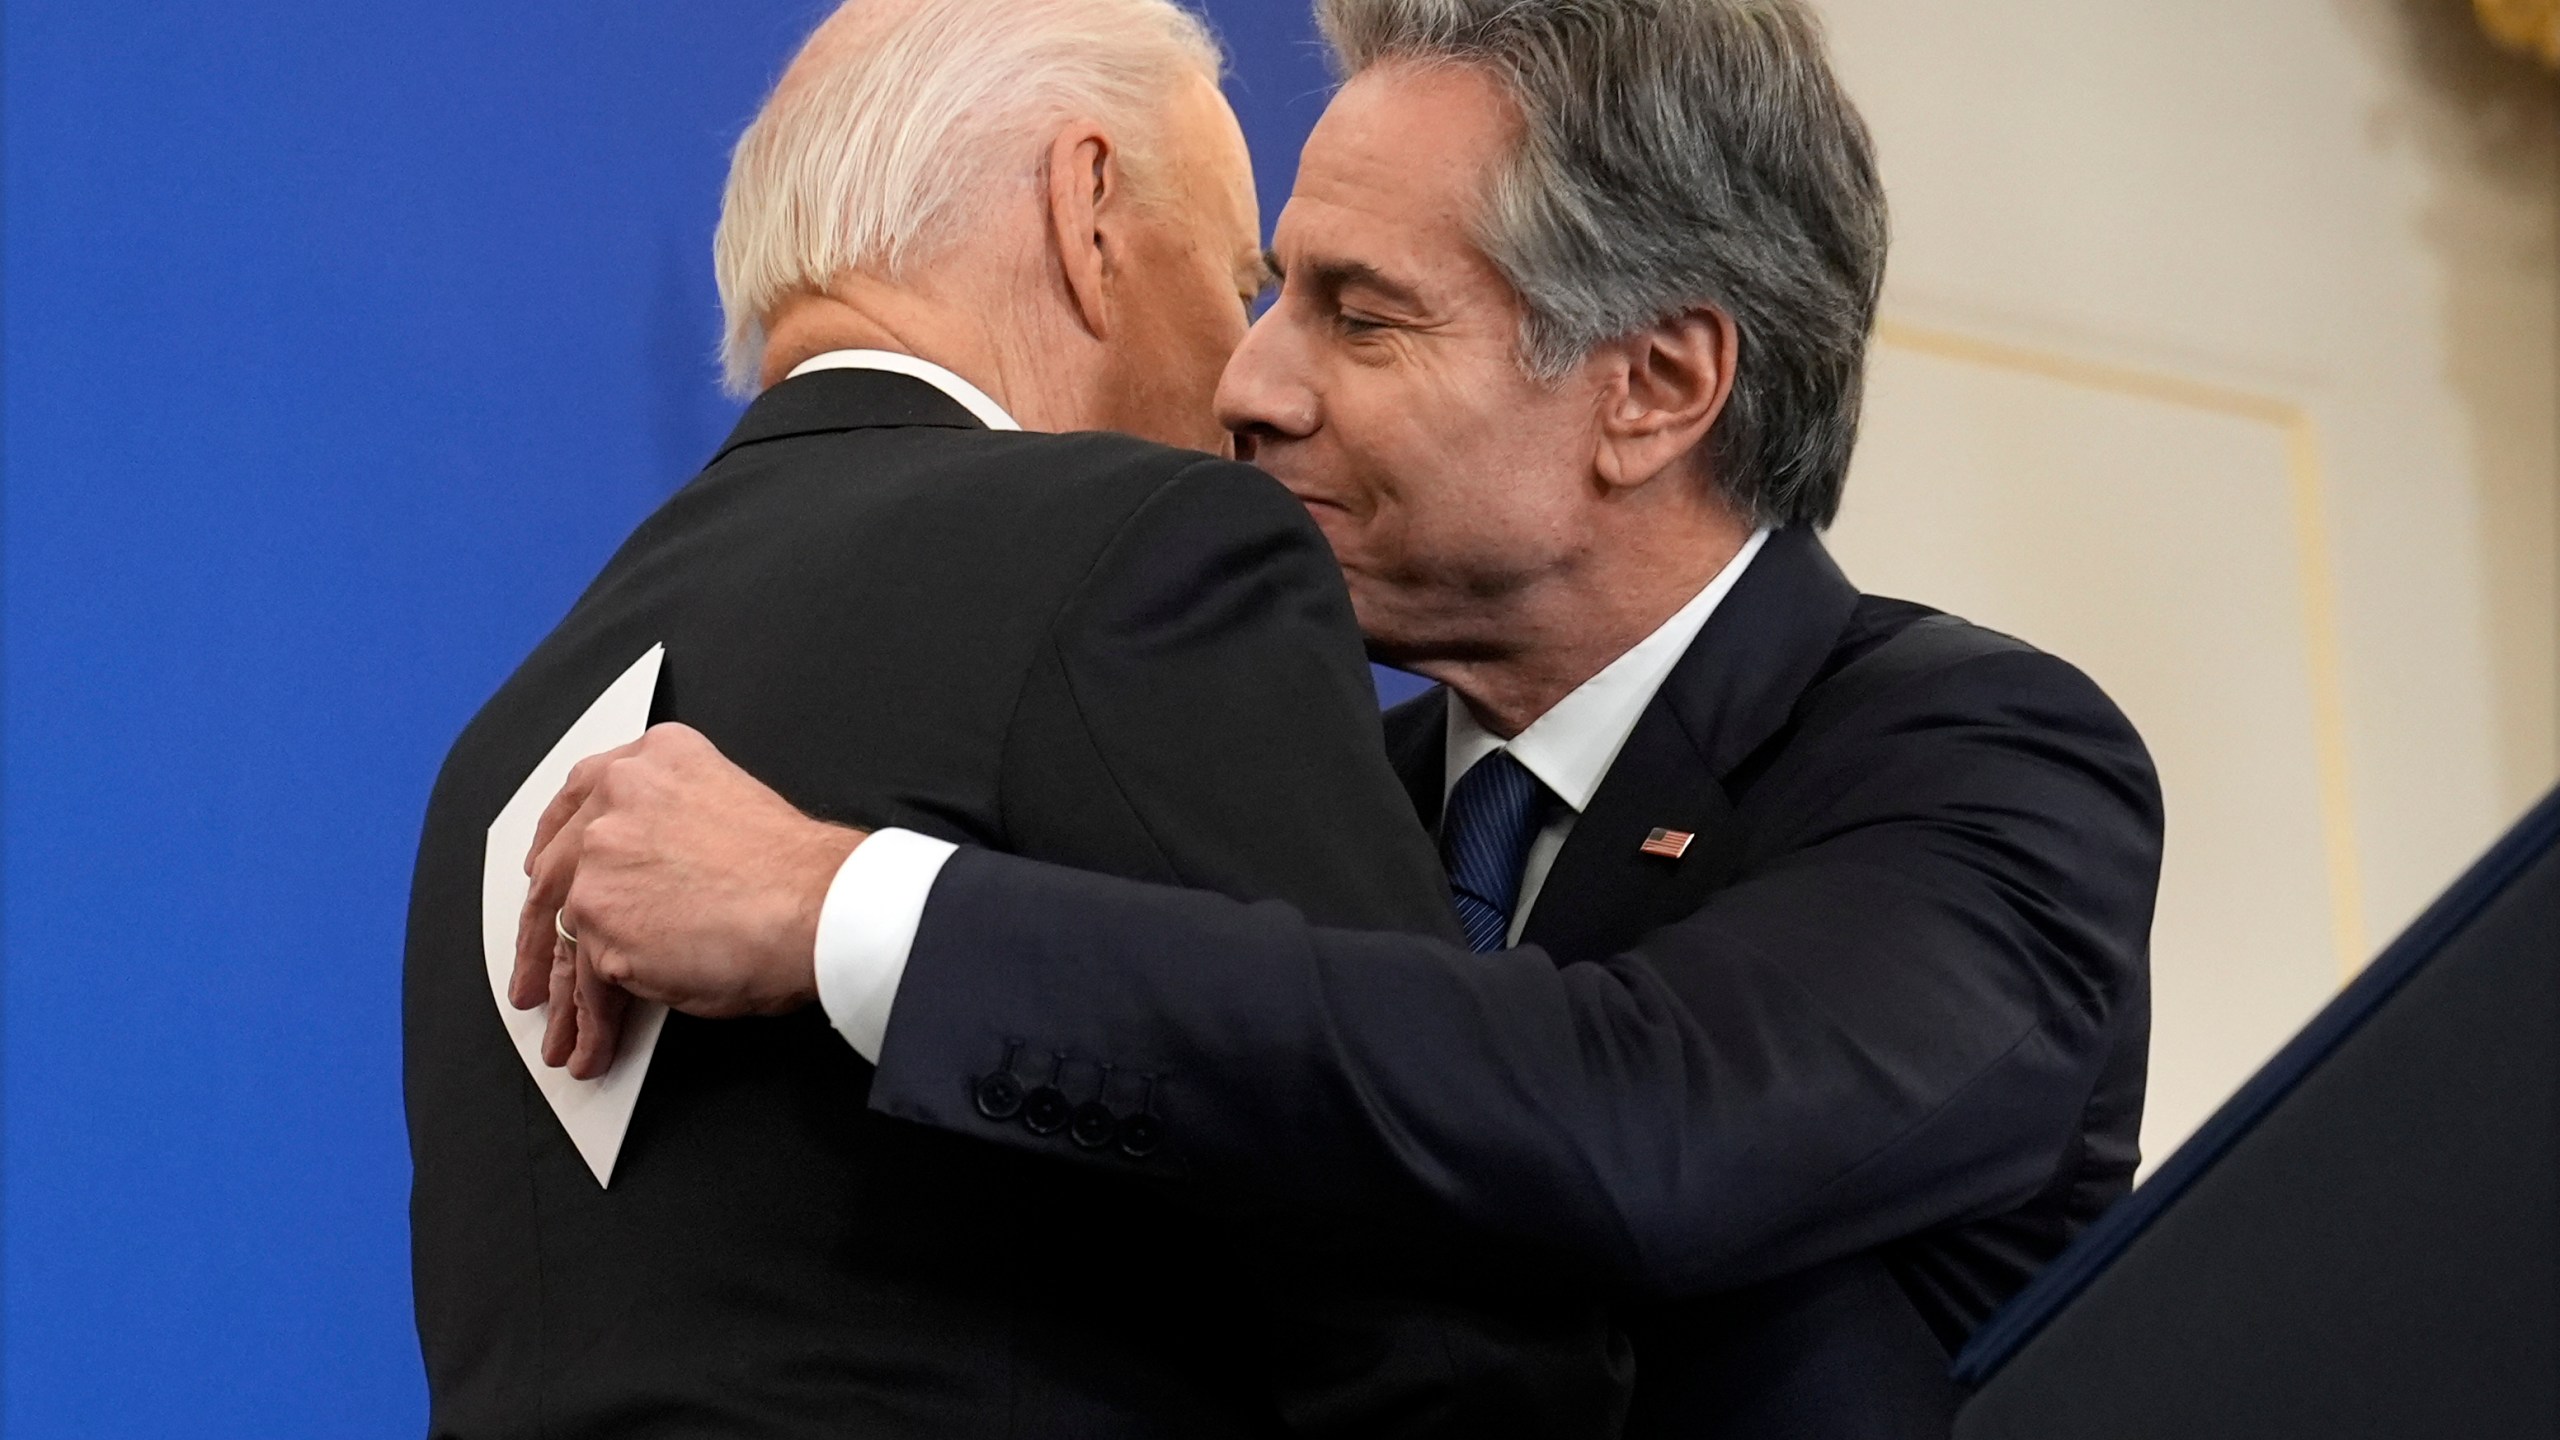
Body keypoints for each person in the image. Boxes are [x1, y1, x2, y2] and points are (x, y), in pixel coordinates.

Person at [523, 1, 2168, 1437]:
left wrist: (847, 908)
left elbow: (1645, 1131)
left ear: (1654, 388)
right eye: (1274, 293)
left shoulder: (1982, 763)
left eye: (1359, 315)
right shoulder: (1316, 791)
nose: (1249, 384)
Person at [404, 0, 1625, 1434]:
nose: (1247, 383)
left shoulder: (507, 746)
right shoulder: (1143, 550)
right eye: (1239, 279)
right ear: (1087, 205)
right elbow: (1430, 1216)